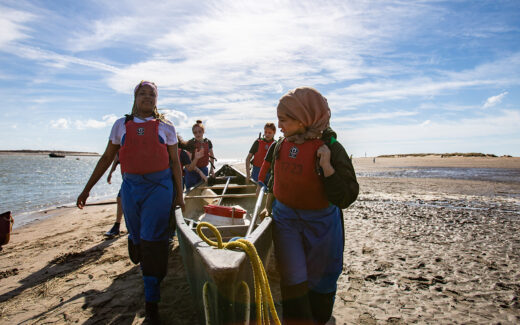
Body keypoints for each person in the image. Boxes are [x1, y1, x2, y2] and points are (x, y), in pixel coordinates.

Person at [76, 81, 184, 324]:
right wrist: (86, 189)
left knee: (153, 240)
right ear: (135, 98)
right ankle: (135, 242)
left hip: (160, 187)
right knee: (138, 239)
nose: (147, 97)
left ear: (157, 100)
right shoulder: (121, 125)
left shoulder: (166, 126)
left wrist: (180, 194)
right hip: (131, 189)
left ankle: (152, 303)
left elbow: (175, 163)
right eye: (142, 93)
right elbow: (106, 157)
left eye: (152, 94)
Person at [259, 87, 359, 325]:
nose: (279, 126)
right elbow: (274, 180)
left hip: (322, 224)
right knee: (292, 277)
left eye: (283, 120)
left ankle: (320, 318)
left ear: (303, 119)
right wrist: (267, 205)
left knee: (322, 278)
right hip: (286, 221)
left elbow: (346, 196)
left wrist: (327, 167)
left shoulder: (332, 148)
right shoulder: (279, 146)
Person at [184, 120, 215, 190]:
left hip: (204, 169)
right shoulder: (190, 144)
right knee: (191, 190)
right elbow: (189, 163)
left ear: (203, 131)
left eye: (199, 132)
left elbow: (212, 156)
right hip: (191, 171)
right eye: (195, 132)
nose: (197, 134)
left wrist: (211, 170)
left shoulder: (208, 142)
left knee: (204, 189)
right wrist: (200, 172)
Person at [245, 123, 276, 189]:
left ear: (274, 133)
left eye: (270, 133)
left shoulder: (276, 145)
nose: (267, 134)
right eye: (266, 132)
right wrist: (248, 175)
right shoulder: (258, 142)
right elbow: (248, 158)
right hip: (256, 173)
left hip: (270, 174)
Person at [104, 152, 123, 238]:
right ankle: (117, 226)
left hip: (138, 180)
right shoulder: (119, 149)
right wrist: (110, 173)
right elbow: (115, 161)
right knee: (120, 199)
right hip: (127, 181)